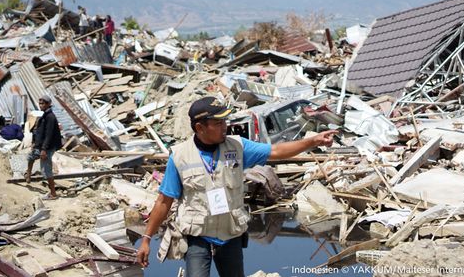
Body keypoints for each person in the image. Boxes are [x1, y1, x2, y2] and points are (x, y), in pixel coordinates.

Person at [136, 96, 337, 276]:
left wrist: (312, 141)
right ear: (200, 128)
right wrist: (146, 239)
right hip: (197, 236)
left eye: (225, 121)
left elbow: (276, 151)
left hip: (229, 234)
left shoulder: (238, 147)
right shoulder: (180, 156)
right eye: (218, 122)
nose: (225, 126)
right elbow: (164, 201)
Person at [25, 95, 63, 200]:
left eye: (43, 103)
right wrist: (35, 143)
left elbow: (49, 135)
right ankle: (28, 174)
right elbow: (39, 131)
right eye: (40, 103)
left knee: (46, 171)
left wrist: (44, 150)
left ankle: (53, 194)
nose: (41, 105)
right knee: (30, 157)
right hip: (40, 146)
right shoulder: (44, 115)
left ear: (48, 104)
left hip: (46, 148)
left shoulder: (50, 117)